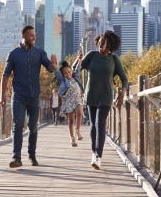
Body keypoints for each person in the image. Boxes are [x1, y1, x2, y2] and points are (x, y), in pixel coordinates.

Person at [0, 25, 58, 168]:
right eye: (31, 35)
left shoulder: (39, 53)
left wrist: (54, 65)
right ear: (24, 36)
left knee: (33, 127)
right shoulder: (13, 54)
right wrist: (3, 95)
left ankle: (32, 156)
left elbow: (49, 68)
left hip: (34, 96)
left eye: (35, 35)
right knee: (17, 125)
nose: (34, 37)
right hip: (18, 95)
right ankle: (16, 157)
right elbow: (5, 75)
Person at [80, 30, 128, 170]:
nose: (100, 47)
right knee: (93, 126)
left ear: (109, 45)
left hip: (106, 95)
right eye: (99, 44)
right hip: (91, 95)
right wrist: (77, 62)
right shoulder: (92, 55)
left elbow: (124, 79)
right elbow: (76, 69)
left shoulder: (114, 60)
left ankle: (98, 156)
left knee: (100, 123)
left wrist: (122, 94)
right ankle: (94, 152)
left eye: (103, 44)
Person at [54, 52, 84, 147]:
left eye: (69, 72)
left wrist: (79, 58)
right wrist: (54, 64)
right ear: (63, 75)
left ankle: (78, 131)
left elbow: (77, 67)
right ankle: (72, 139)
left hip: (77, 99)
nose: (68, 74)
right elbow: (57, 73)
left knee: (79, 112)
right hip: (68, 101)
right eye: (65, 73)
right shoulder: (63, 80)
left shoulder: (75, 76)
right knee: (71, 120)